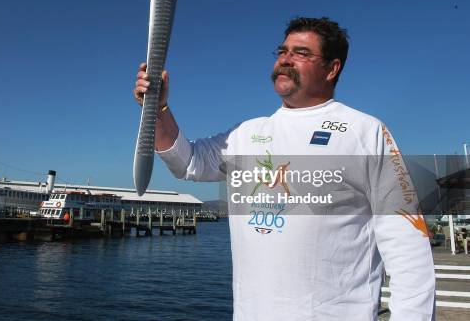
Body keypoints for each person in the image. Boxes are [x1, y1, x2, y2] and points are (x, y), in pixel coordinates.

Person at [133, 17, 435, 320]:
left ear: (332, 69)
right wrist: (158, 109)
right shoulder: (247, 133)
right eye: (282, 50)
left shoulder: (365, 132)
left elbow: (408, 248)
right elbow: (189, 162)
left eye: (301, 53)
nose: (286, 59)